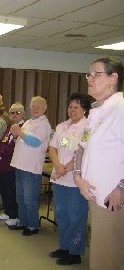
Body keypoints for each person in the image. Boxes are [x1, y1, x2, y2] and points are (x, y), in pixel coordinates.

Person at [73, 56, 124, 269]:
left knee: (107, 257)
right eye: (88, 74)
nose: (90, 78)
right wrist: (78, 177)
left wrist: (121, 187)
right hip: (93, 193)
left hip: (112, 198)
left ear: (113, 78)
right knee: (99, 255)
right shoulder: (96, 110)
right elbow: (82, 148)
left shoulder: (120, 108)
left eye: (96, 74)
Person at [48, 93, 90, 265]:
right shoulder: (61, 126)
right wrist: (58, 166)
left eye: (76, 107)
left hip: (76, 181)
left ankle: (75, 252)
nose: (72, 111)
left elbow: (83, 153)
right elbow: (52, 148)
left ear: (85, 110)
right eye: (70, 107)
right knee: (61, 215)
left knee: (76, 217)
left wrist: (65, 169)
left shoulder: (88, 127)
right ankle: (64, 247)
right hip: (59, 178)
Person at [9, 96, 51, 236]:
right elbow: (21, 140)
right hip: (19, 165)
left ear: (44, 108)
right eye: (33, 105)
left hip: (31, 168)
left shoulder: (44, 124)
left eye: (38, 106)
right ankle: (23, 221)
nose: (35, 108)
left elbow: (35, 142)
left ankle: (33, 225)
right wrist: (16, 135)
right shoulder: (28, 122)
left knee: (29, 199)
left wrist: (20, 133)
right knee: (20, 197)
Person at [0, 102, 25, 223]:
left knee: (12, 191)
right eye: (12, 113)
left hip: (12, 165)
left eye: (18, 112)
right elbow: (2, 143)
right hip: (3, 165)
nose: (15, 115)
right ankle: (7, 211)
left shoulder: (23, 128)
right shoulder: (10, 128)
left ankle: (14, 215)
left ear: (23, 114)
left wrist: (0, 155)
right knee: (4, 189)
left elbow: (12, 147)